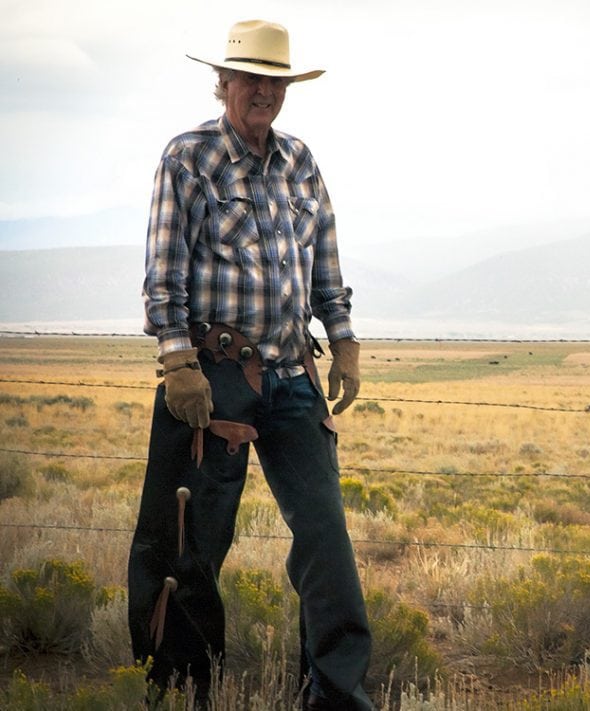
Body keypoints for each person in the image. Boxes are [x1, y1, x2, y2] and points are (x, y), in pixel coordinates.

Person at [128, 19, 374, 710]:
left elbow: (324, 257)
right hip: (215, 372)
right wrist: (178, 361)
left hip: (293, 374)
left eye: (276, 81)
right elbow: (163, 268)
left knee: (325, 533)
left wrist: (344, 337)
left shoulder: (299, 161)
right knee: (191, 540)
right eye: (251, 79)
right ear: (224, 82)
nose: (263, 92)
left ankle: (334, 693)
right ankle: (180, 690)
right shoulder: (189, 157)